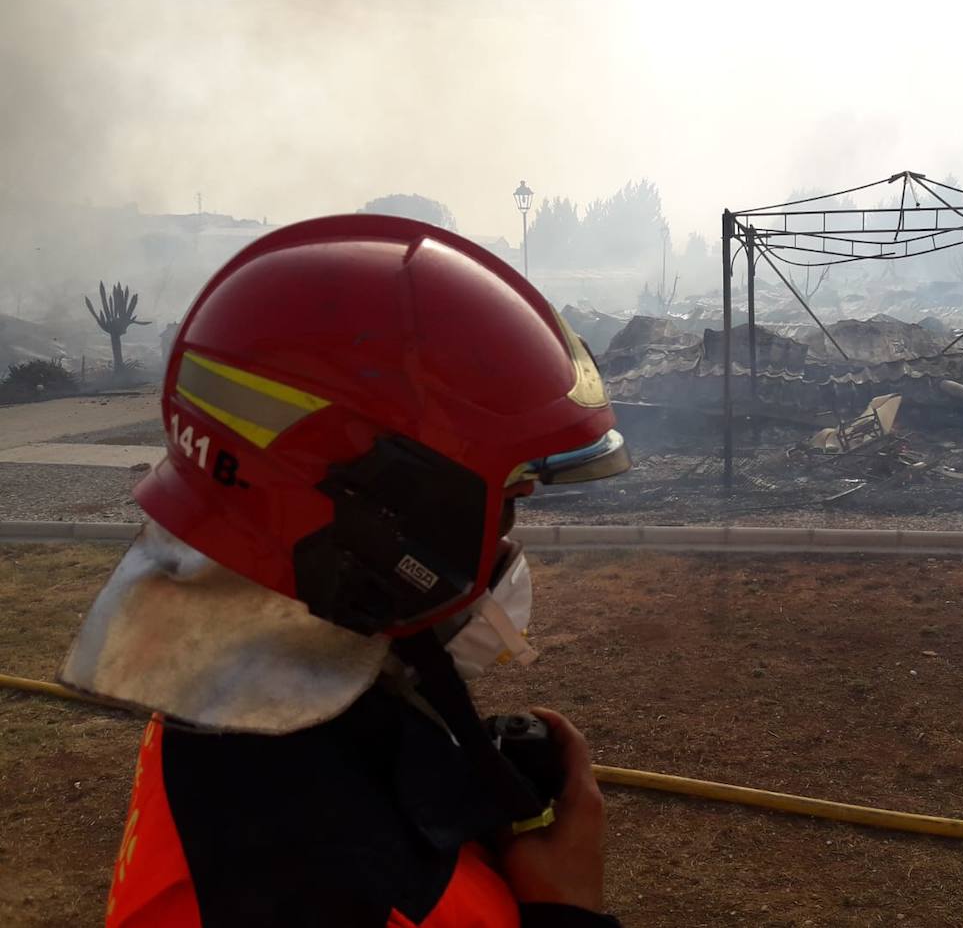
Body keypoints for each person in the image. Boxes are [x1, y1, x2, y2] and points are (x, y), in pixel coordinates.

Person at [60, 215, 630, 927]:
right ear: (379, 527)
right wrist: (567, 913)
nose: (511, 552)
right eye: (505, 508)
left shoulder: (250, 703)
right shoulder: (309, 879)